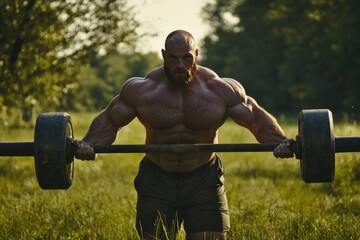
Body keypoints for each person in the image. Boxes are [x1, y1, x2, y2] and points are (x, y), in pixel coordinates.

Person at [74, 30, 294, 239]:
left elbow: (256, 119)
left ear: (196, 54)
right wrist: (88, 145)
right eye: (173, 58)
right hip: (156, 178)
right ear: (163, 55)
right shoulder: (141, 90)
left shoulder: (220, 90)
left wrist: (283, 143)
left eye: (187, 58)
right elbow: (110, 121)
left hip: (203, 179)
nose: (180, 65)